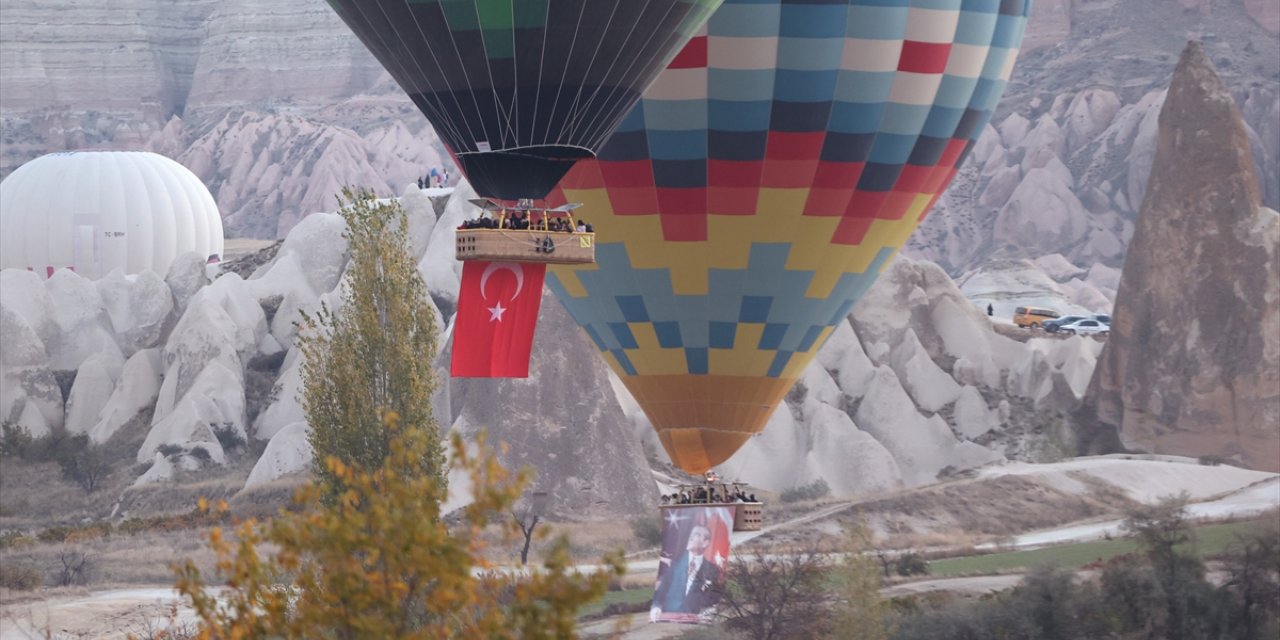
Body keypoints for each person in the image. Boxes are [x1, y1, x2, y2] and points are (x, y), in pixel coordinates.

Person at [651, 524, 722, 621]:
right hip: (668, 619)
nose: (691, 537)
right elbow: (661, 590)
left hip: (695, 620)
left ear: (705, 543)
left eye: (696, 535)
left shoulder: (712, 570)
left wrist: (707, 611)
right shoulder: (674, 564)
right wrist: (656, 607)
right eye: (691, 534)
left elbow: (713, 597)